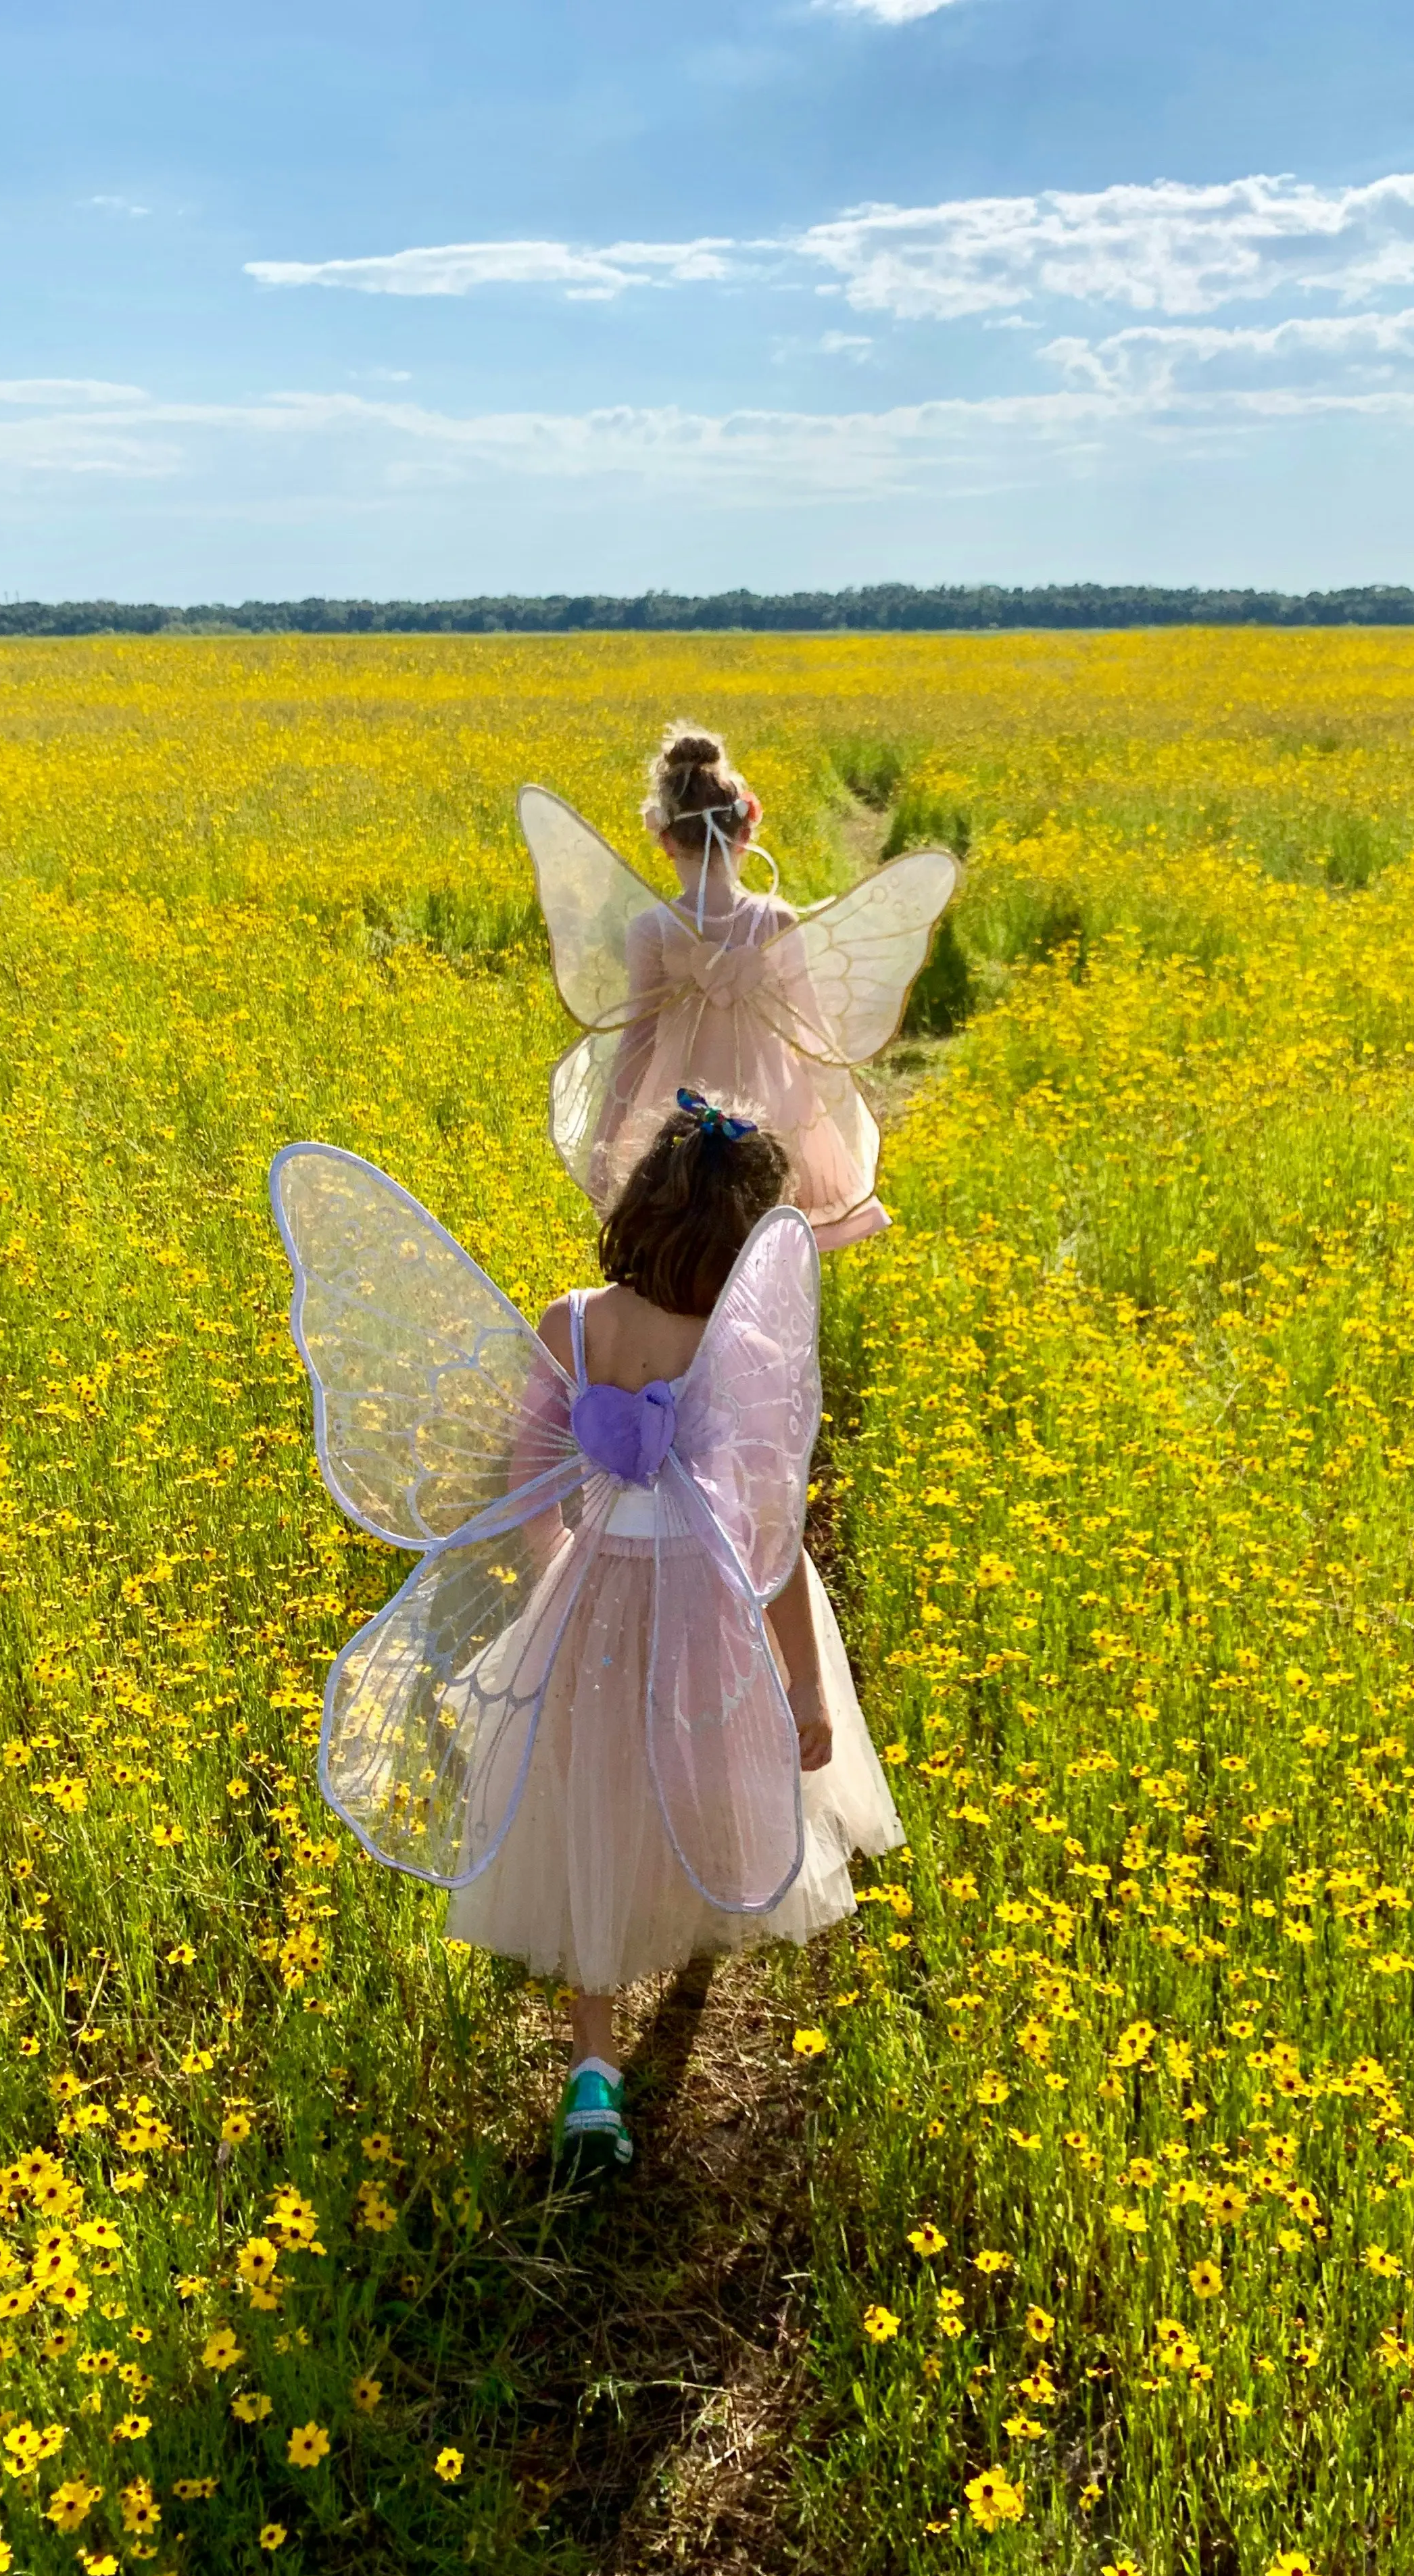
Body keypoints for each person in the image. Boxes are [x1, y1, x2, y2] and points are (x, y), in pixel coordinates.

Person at [268, 1102, 902, 2179]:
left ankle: (593, 2070)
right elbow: (773, 1535)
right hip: (709, 1604)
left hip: (596, 1592)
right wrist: (800, 1683)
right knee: (708, 1764)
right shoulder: (737, 1340)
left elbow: (527, 1479)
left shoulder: (573, 1322)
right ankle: (708, 1925)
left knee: (590, 1807)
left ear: (637, 1209)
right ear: (754, 1240)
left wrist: (553, 1570)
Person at [522, 724, 959, 1253]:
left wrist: (609, 1142)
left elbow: (634, 1046)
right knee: (768, 1235)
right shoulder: (774, 920)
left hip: (677, 1114)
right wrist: (838, 1120)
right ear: (746, 832)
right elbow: (810, 1033)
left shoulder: (652, 929)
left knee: (687, 1244)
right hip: (770, 1106)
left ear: (663, 840)